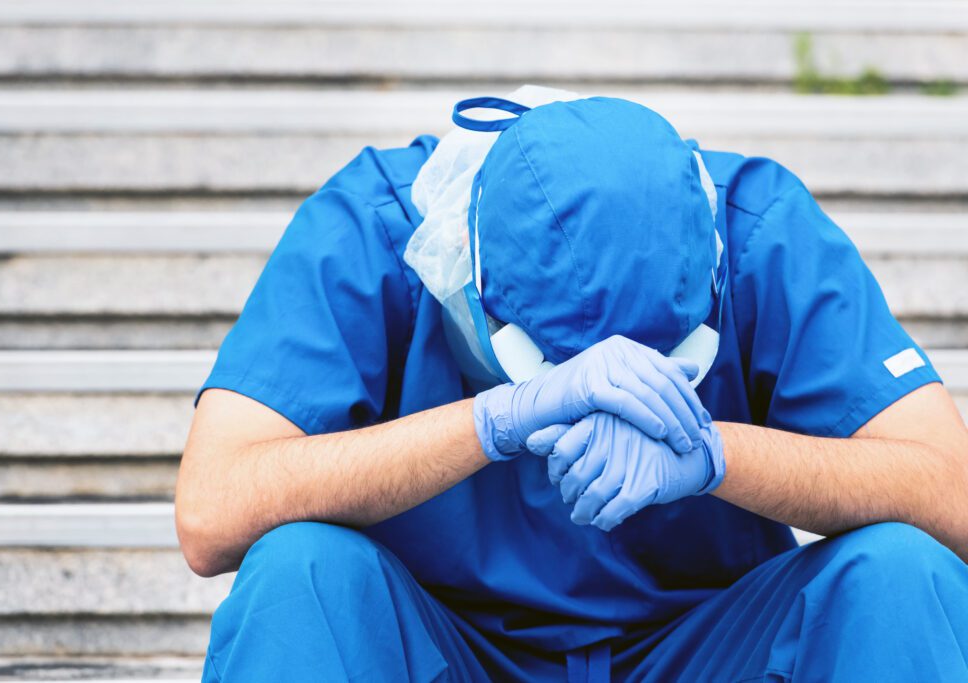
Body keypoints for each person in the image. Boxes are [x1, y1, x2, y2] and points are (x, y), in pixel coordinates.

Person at [176, 86, 968, 682]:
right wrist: (493, 421)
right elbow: (213, 510)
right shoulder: (376, 228)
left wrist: (714, 454)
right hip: (442, 645)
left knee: (901, 572)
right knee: (301, 571)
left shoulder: (760, 230)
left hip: (702, 644)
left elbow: (952, 494)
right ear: (466, 280)